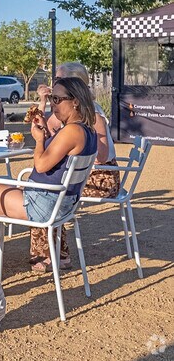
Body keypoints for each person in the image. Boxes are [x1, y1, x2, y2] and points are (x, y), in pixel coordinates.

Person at [0, 77, 98, 272]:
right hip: (59, 202)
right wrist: (45, 135)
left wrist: (39, 140)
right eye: (51, 99)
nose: (53, 104)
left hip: (42, 204)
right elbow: (56, 160)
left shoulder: (72, 131)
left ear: (75, 101)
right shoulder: (86, 130)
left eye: (57, 99)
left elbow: (40, 165)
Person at [28, 62, 120, 272]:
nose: (54, 84)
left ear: (76, 84)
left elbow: (103, 155)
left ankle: (51, 255)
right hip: (77, 176)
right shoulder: (65, 111)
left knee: (49, 190)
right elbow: (45, 127)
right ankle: (58, 254)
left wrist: (73, 149)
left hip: (102, 177)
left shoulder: (92, 115)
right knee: (52, 186)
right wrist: (43, 103)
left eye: (59, 80)